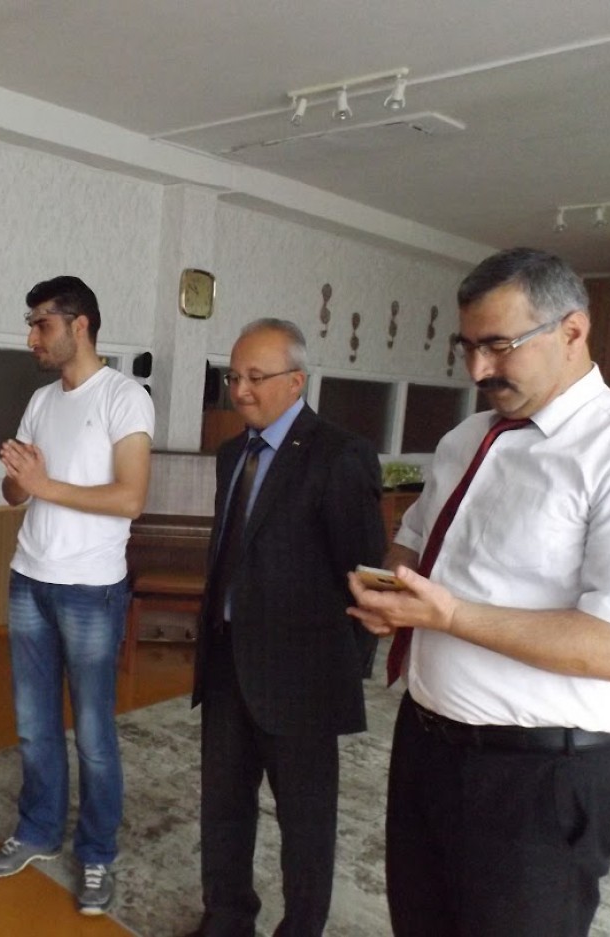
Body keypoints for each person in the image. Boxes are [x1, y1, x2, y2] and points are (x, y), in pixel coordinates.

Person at [347, 247, 610, 937]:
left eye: (499, 345)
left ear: (573, 330)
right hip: (427, 743)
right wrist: (392, 586)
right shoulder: (466, 439)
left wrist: (450, 614)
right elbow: (415, 538)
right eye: (467, 346)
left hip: (543, 776)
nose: (477, 370)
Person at [186, 318, 386, 937]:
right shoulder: (232, 454)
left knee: (305, 820)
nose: (240, 390)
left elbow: (364, 578)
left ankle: (301, 927)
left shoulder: (339, 455)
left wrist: (340, 673)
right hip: (227, 662)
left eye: (255, 377)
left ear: (296, 382)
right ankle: (226, 919)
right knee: (224, 804)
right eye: (233, 377)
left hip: (302, 678)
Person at [0, 275, 155, 915]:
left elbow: (130, 498)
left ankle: (98, 852)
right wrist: (19, 479)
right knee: (33, 725)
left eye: (41, 323)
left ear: (79, 325)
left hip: (91, 590)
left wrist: (43, 484)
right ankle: (38, 830)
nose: (31, 336)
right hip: (30, 577)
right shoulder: (40, 399)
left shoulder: (125, 397)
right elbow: (15, 495)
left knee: (94, 734)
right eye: (30, 323)